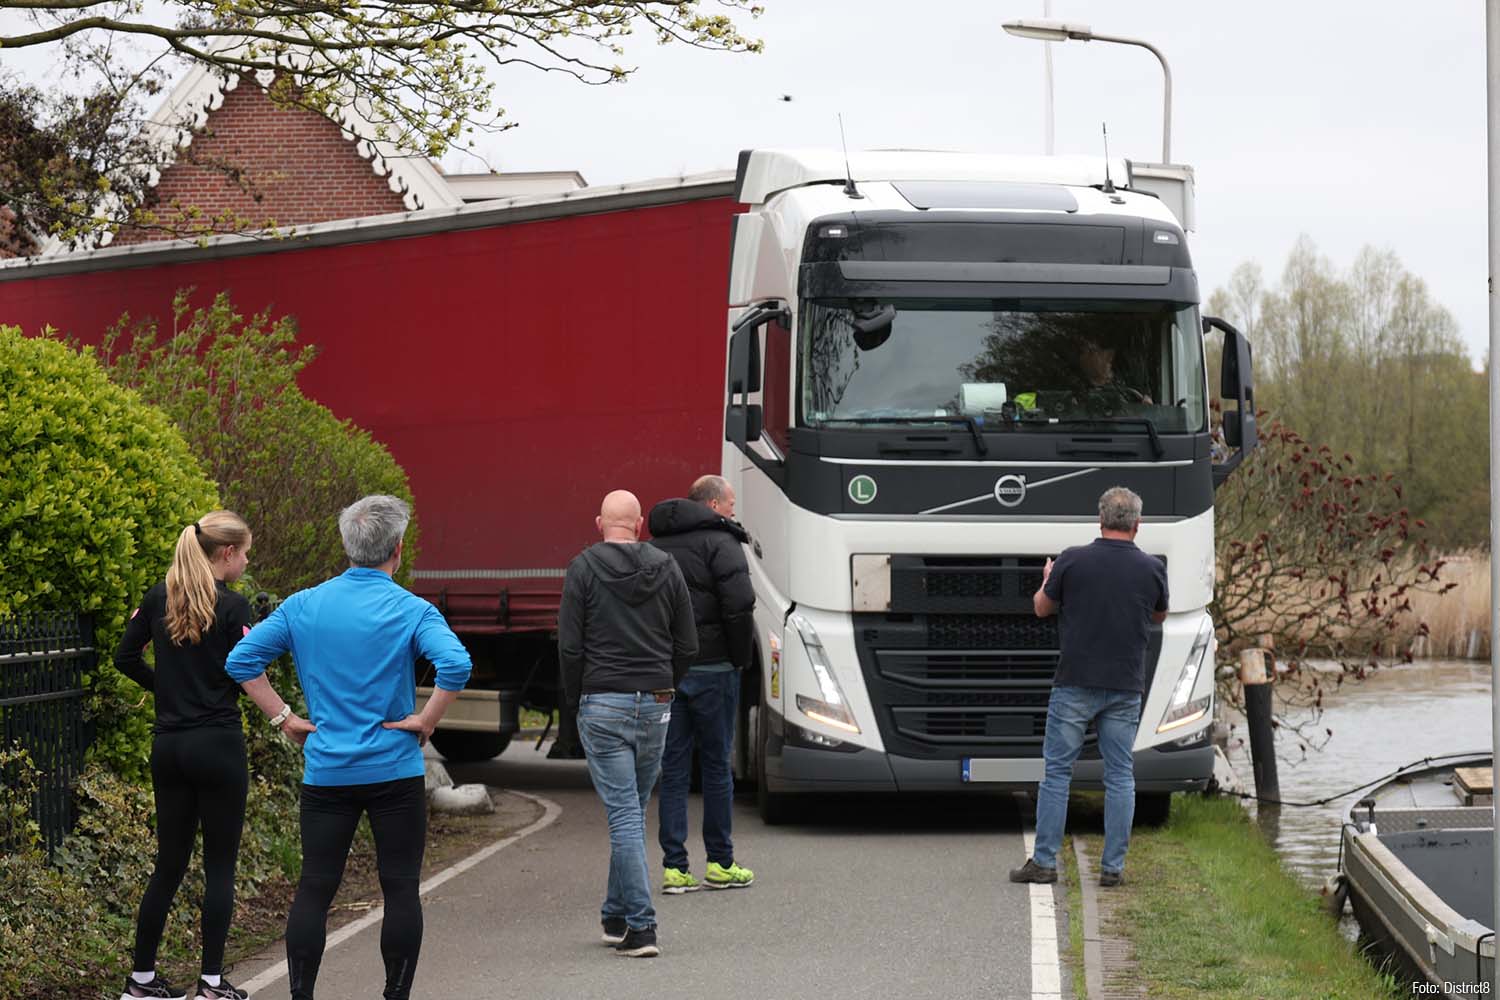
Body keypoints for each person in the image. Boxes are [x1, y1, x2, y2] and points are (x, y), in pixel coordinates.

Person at [224, 495, 471, 1000]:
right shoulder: (411, 609)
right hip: (394, 769)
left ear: (346, 545)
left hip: (328, 771)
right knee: (400, 886)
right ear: (397, 550)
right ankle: (395, 995)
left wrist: (284, 718)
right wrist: (426, 719)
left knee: (314, 888)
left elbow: (242, 661)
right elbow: (456, 665)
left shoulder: (304, 604)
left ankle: (301, 996)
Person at [114, 511, 256, 1000]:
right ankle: (212, 984)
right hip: (217, 743)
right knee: (220, 866)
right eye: (245, 553)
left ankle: (141, 981)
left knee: (169, 864)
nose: (247, 561)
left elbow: (123, 657)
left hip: (169, 746)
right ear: (227, 554)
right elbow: (250, 670)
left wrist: (166, 691)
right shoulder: (236, 609)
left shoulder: (159, 598)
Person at [559, 490, 697, 958]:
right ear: (638, 524)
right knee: (632, 812)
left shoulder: (582, 568)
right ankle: (614, 914)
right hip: (656, 702)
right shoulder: (667, 566)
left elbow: (570, 647)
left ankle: (642, 927)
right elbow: (688, 644)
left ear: (601, 522)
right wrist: (665, 683)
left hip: (603, 701)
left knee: (623, 815)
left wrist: (577, 696)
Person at [1009, 486, 1169, 889]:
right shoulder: (1151, 568)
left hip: (1075, 683)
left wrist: (1048, 580)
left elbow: (1041, 608)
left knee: (1057, 772)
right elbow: (1160, 614)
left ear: (1099, 520)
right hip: (1125, 685)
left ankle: (1044, 863)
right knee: (1120, 775)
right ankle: (1112, 868)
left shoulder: (1071, 560)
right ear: (1137, 524)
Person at [648, 475, 756, 895]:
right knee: (715, 766)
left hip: (667, 674)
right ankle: (720, 862)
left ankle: (675, 869)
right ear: (712, 505)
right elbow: (739, 604)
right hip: (714, 669)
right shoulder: (721, 542)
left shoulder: (654, 548)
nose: (732, 510)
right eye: (729, 503)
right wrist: (738, 658)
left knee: (672, 769)